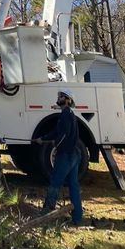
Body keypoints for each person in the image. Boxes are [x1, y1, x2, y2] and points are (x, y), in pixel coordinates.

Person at [34, 88, 83, 225]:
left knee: (55, 182)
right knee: (73, 185)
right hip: (74, 155)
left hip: (66, 155)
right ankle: (77, 217)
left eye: (61, 96)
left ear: (67, 100)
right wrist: (43, 138)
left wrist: (56, 144)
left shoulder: (66, 115)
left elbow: (63, 134)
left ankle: (46, 214)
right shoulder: (69, 114)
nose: (59, 98)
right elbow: (57, 131)